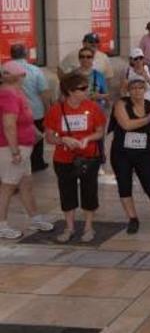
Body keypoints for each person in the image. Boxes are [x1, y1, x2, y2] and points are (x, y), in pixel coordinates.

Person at [43, 74, 107, 243]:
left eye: (87, 87)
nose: (87, 91)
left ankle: (88, 226)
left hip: (89, 156)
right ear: (70, 91)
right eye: (83, 88)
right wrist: (63, 139)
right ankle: (69, 227)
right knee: (67, 192)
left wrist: (88, 138)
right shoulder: (56, 110)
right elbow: (49, 136)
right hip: (63, 158)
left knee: (89, 191)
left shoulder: (93, 107)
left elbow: (100, 131)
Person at [0, 62, 54, 239]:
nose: (25, 77)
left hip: (24, 147)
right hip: (12, 149)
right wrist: (15, 151)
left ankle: (35, 218)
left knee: (26, 184)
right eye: (23, 74)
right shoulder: (8, 95)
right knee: (8, 187)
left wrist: (37, 133)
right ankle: (2, 225)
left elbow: (25, 120)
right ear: (17, 76)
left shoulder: (17, 93)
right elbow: (9, 125)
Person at [110, 77, 150, 234]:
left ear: (145, 90)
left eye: (140, 88)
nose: (137, 91)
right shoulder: (121, 104)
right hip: (121, 152)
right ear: (129, 91)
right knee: (124, 185)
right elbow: (126, 125)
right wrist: (148, 118)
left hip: (143, 152)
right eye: (134, 88)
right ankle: (132, 218)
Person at [9, 44, 51, 173]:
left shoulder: (4, 70)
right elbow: (44, 92)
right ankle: (37, 163)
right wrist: (48, 110)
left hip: (11, 112)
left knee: (14, 136)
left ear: (11, 54)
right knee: (37, 139)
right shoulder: (35, 70)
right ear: (26, 54)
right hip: (35, 111)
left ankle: (17, 161)